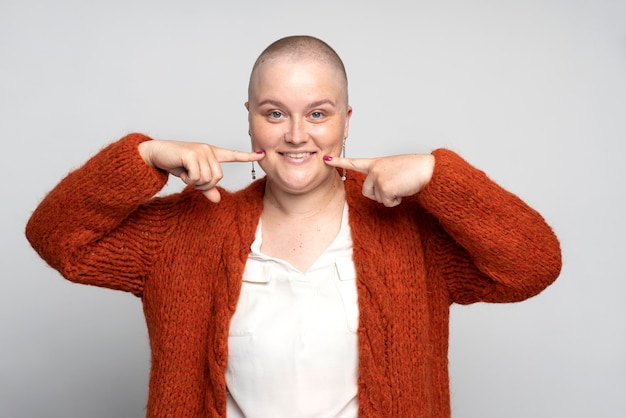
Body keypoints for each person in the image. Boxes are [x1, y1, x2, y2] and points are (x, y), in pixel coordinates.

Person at [25, 35, 562, 418]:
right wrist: (144, 157)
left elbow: (533, 265)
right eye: (275, 113)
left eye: (319, 113)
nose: (296, 135)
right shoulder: (184, 234)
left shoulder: (412, 233)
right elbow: (56, 238)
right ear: (250, 117)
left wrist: (438, 174)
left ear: (347, 119)